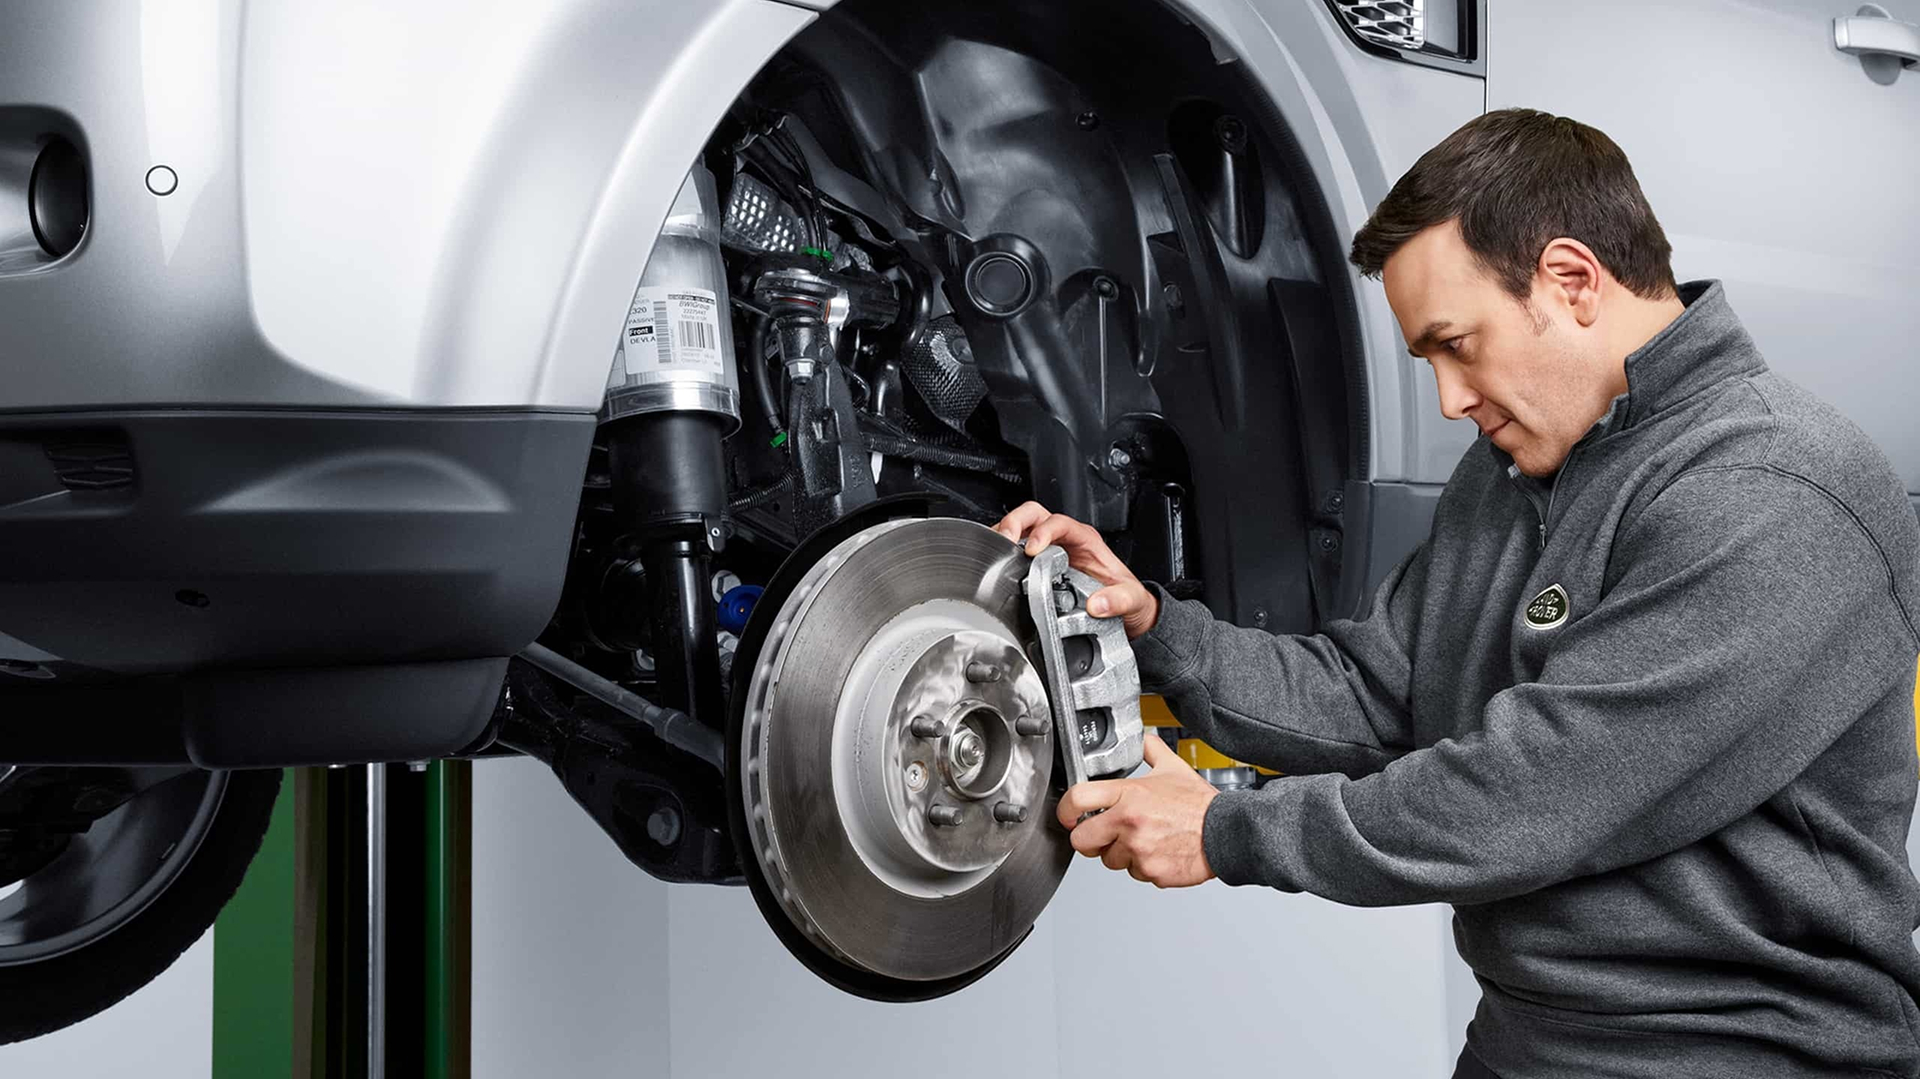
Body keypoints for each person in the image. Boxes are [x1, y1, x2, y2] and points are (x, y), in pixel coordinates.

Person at [993, 109, 1920, 1078]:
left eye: (1457, 343)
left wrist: (1229, 830)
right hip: (1530, 1042)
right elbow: (1376, 694)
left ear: (1570, 280)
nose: (1449, 399)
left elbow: (1543, 789)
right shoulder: (1512, 472)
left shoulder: (1776, 484)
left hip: (1750, 1055)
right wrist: (1151, 626)